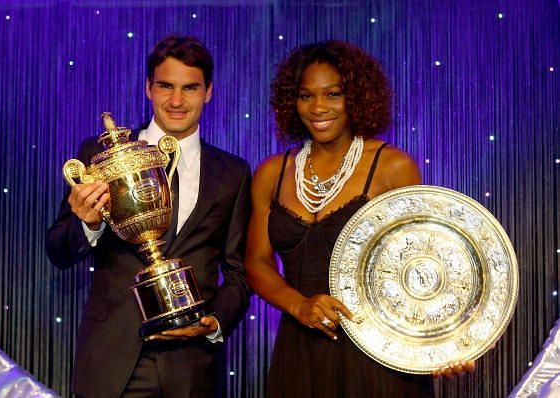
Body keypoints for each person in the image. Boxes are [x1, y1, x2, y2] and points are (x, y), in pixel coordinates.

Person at [46, 35, 251, 398]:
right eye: (165, 86)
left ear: (209, 92)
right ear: (148, 87)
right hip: (112, 360)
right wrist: (87, 223)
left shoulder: (232, 173)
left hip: (193, 365)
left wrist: (212, 322)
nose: (176, 100)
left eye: (190, 88)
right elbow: (58, 250)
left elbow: (237, 272)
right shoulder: (100, 155)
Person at [246, 40, 440, 397]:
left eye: (332, 94)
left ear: (357, 97)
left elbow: (423, 267)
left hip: (377, 355)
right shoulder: (272, 172)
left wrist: (443, 343)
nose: (318, 107)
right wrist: (298, 305)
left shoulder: (393, 167)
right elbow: (257, 262)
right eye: (306, 96)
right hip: (299, 353)